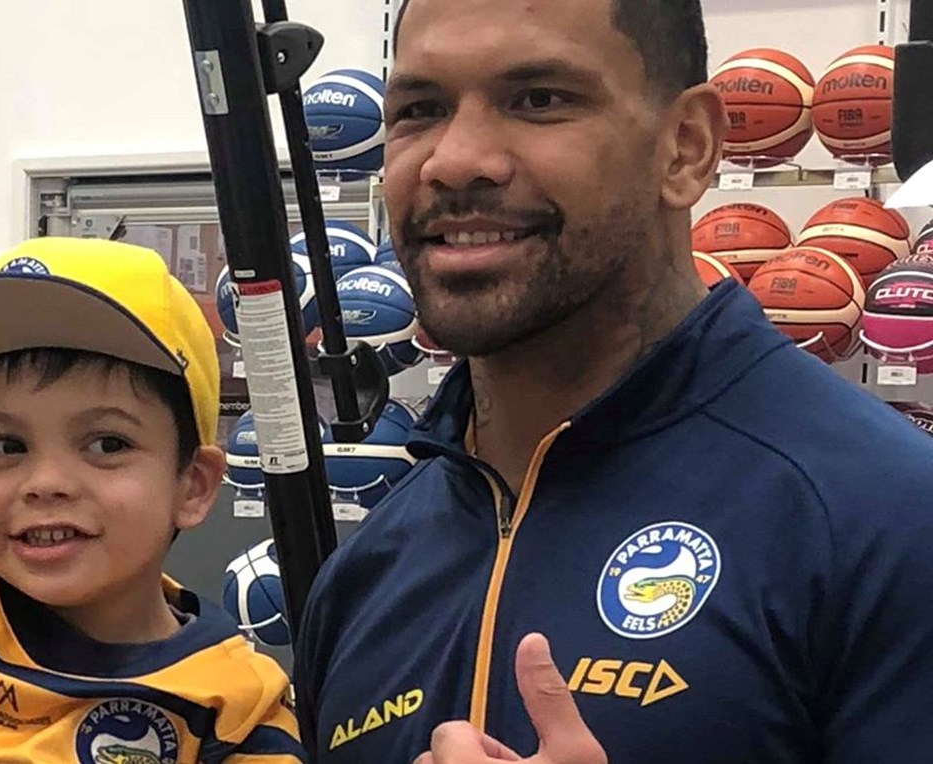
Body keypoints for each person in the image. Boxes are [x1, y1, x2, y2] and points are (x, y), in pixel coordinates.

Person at [291, 0, 933, 761]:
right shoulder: (365, 573)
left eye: (539, 99)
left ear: (686, 147)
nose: (454, 160)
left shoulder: (888, 518)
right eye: (420, 110)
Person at [0, 237, 305, 762]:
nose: (45, 482)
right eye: (6, 445)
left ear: (193, 486)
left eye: (107, 444)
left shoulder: (238, 704)